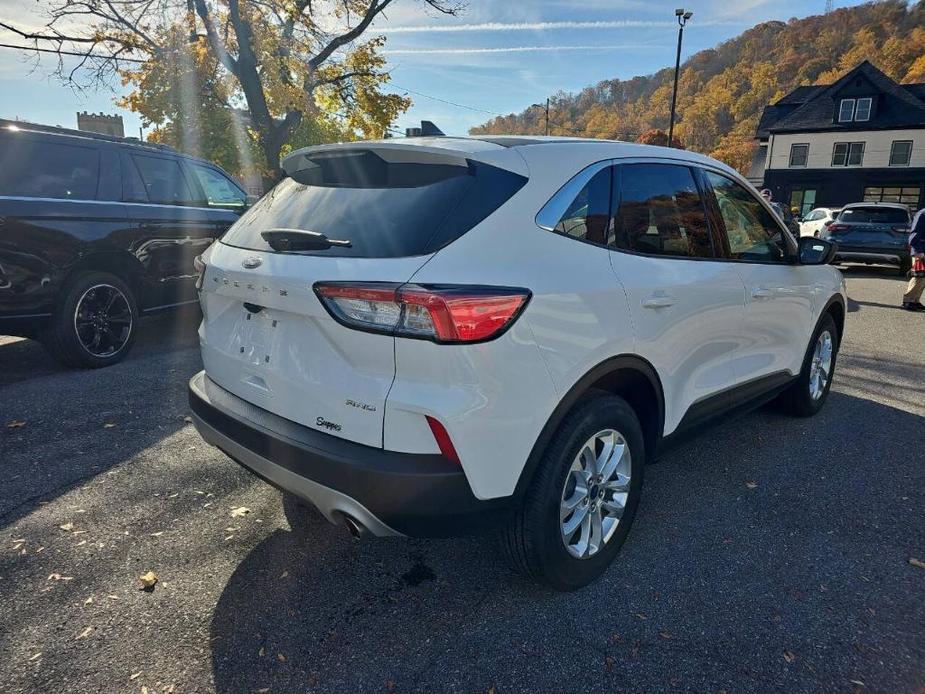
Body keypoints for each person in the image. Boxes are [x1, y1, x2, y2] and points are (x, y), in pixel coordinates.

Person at [901, 207, 925, 311]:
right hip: (920, 250)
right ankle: (908, 300)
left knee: (923, 278)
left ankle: (915, 300)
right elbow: (915, 233)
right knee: (919, 275)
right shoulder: (922, 214)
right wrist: (918, 251)